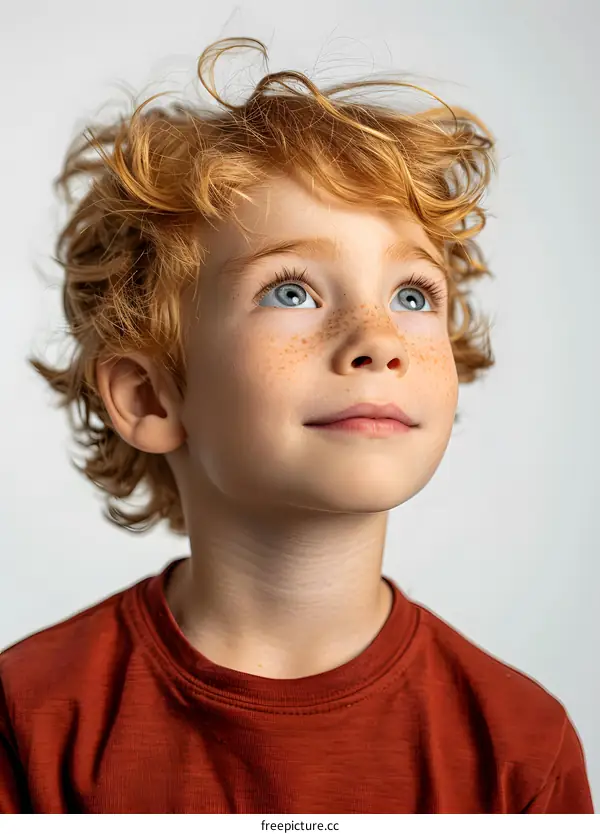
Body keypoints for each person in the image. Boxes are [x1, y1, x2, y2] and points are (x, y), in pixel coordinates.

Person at [0, 36, 593, 814]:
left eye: (413, 296)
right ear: (150, 398)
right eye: (292, 291)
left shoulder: (520, 749)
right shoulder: (31, 721)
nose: (379, 340)